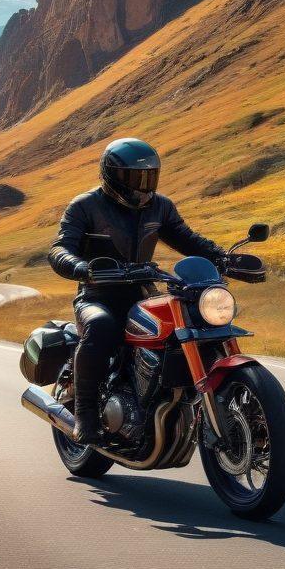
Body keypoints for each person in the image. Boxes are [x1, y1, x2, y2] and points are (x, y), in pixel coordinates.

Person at [48, 138, 227, 445]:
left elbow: (188, 240)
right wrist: (81, 268)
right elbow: (60, 249)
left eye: (149, 177)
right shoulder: (85, 206)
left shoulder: (161, 206)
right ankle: (86, 415)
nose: (143, 185)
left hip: (143, 293)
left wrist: (224, 257)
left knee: (192, 324)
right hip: (97, 295)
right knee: (101, 326)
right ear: (112, 175)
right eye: (134, 178)